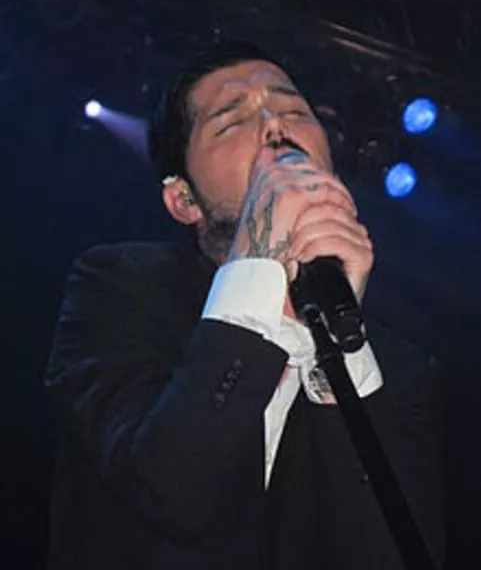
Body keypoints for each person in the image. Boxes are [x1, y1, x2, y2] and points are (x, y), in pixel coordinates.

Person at [45, 41, 444, 569]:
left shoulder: (397, 367)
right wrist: (258, 265)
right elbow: (168, 489)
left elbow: (394, 557)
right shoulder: (118, 287)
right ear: (184, 200)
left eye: (295, 111)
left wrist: (338, 350)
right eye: (232, 122)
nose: (276, 127)